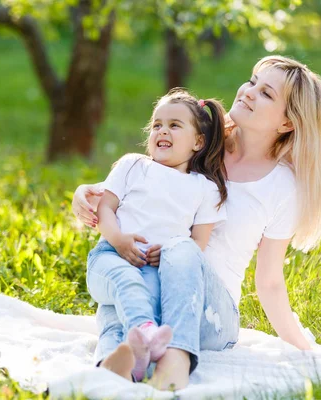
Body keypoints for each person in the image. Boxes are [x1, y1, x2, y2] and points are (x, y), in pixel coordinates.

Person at [72, 55, 321, 390]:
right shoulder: (204, 141)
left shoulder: (282, 187)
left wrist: (304, 351)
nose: (249, 92)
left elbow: (269, 282)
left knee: (181, 248)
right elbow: (147, 184)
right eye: (253, 80)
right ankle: (115, 363)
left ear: (287, 123)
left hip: (212, 313)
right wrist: (87, 191)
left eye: (267, 93)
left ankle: (177, 360)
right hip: (154, 281)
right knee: (129, 287)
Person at [86, 89, 229, 381]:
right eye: (157, 125)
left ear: (198, 141)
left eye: (175, 125)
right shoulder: (133, 166)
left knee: (127, 311)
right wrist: (119, 240)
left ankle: (118, 365)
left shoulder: (205, 188)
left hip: (154, 266)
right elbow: (105, 210)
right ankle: (147, 332)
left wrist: (164, 251)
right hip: (110, 257)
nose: (163, 130)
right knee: (128, 286)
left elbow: (196, 244)